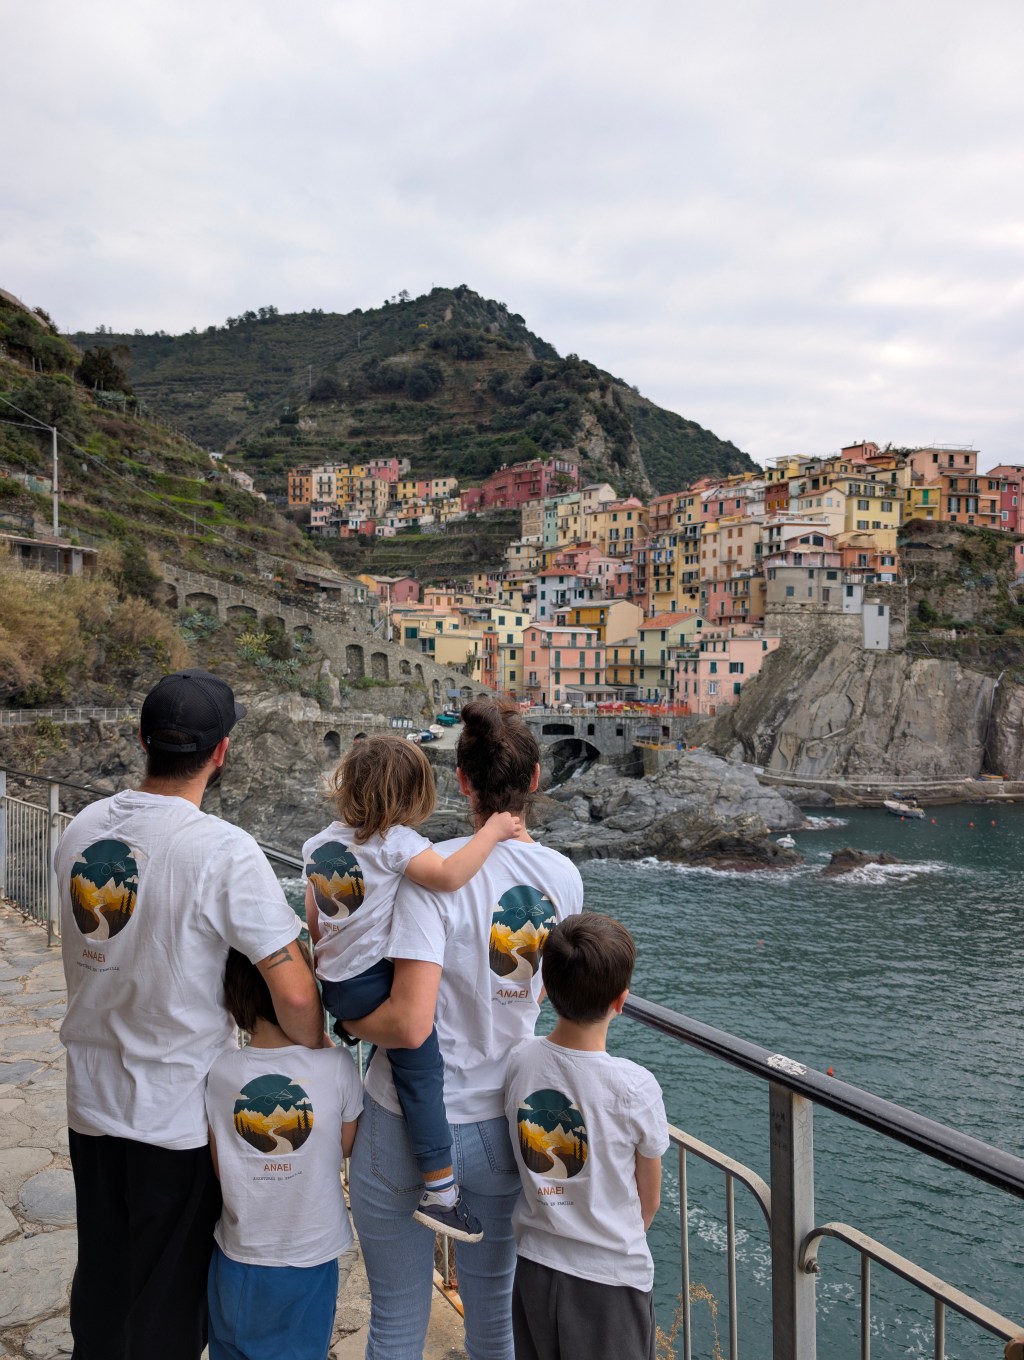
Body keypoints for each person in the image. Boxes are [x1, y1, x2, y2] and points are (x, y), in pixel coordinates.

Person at [57, 669, 324, 1360]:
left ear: (143, 739)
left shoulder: (81, 828)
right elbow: (295, 993)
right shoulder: (222, 849)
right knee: (167, 1306)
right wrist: (317, 1054)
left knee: (104, 1278)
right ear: (222, 752)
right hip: (173, 1112)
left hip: (90, 1098)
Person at [346, 697, 585, 1360]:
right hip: (505, 1119)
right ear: (534, 779)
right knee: (495, 1324)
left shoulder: (429, 872)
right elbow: (546, 990)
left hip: (407, 1124)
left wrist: (348, 1018)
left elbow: (408, 1021)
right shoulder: (564, 878)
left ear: (461, 782)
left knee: (397, 1321)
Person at [302, 733, 521, 1241]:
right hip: (369, 982)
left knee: (402, 1056)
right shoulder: (395, 844)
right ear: (411, 796)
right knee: (422, 1070)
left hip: (335, 981)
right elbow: (448, 877)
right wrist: (491, 832)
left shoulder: (318, 845)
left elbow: (316, 918)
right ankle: (440, 1190)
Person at [504, 913, 669, 1360]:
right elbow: (649, 1201)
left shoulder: (520, 1061)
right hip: (610, 1282)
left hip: (535, 1265)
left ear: (546, 986)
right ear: (621, 1000)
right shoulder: (635, 1087)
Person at [205, 944, 363, 1360]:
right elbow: (346, 1146)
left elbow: (222, 1168)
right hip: (309, 1257)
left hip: (238, 1255)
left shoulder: (220, 1072)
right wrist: (317, 1037)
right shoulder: (337, 1066)